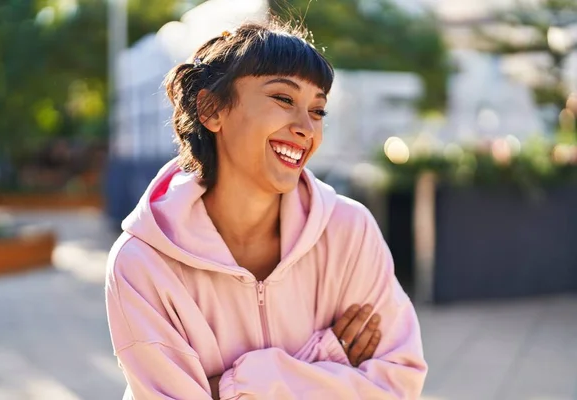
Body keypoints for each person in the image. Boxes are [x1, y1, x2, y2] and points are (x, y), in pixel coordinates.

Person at [105, 19, 427, 400]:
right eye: (284, 99)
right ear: (211, 109)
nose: (307, 128)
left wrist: (230, 388)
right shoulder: (142, 262)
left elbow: (399, 384)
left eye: (318, 110)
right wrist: (324, 358)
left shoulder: (350, 231)